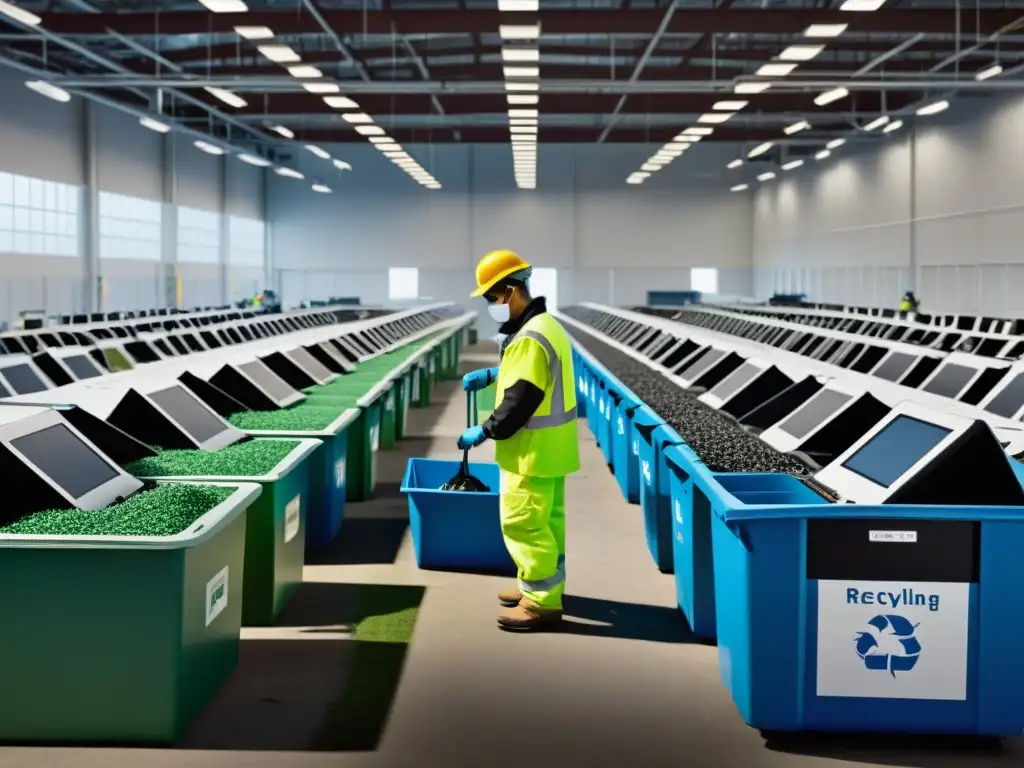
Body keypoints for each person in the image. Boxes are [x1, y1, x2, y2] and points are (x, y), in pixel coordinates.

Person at [457, 250, 580, 632]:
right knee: (547, 523)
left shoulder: (529, 337)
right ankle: (542, 586)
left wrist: (485, 430)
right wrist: (496, 372)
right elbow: (536, 374)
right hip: (552, 451)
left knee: (523, 523)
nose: (492, 306)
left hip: (528, 452)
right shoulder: (546, 325)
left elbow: (520, 402)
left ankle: (540, 603)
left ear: (509, 291)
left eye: (492, 298)